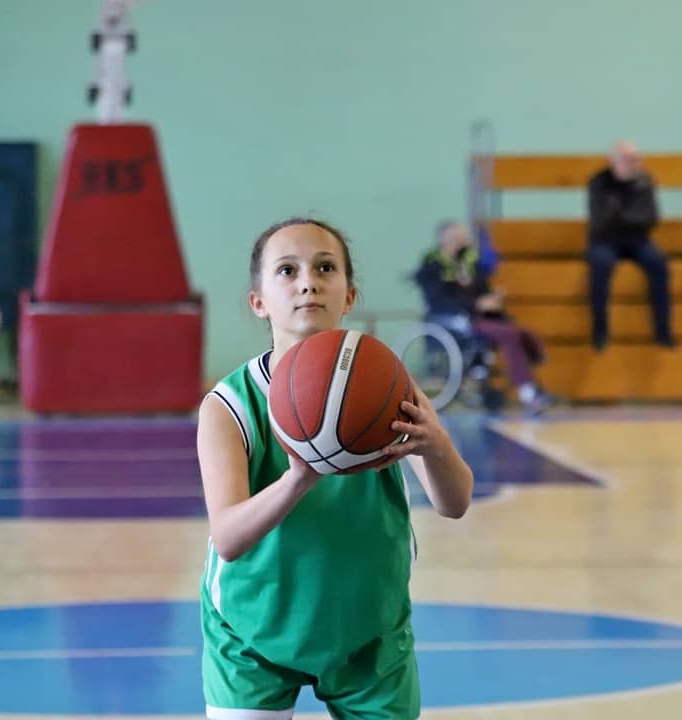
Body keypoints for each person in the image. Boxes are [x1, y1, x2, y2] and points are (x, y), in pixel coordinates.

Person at [197, 217, 474, 719]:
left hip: (369, 633)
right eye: (287, 270)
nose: (308, 282)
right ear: (258, 301)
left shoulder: (389, 388)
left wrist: (436, 448)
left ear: (349, 295)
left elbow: (454, 504)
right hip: (252, 633)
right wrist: (298, 479)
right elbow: (229, 537)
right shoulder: (229, 405)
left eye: (325, 267)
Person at [415, 220, 556, 415]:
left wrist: (492, 299)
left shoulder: (469, 263)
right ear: (445, 240)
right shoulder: (432, 266)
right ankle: (528, 393)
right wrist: (476, 304)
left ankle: (534, 360)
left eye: (463, 236)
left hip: (479, 317)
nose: (463, 240)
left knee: (521, 331)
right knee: (508, 334)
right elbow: (440, 300)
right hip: (454, 320)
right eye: (458, 237)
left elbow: (482, 290)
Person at [586, 141, 675, 350]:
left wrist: (620, 216)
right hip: (605, 241)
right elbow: (601, 220)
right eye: (628, 159)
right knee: (599, 264)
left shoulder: (645, 182)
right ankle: (600, 330)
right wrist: (631, 217)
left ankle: (663, 330)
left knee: (659, 263)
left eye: (636, 159)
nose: (633, 164)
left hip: (638, 240)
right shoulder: (598, 183)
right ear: (614, 162)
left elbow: (650, 218)